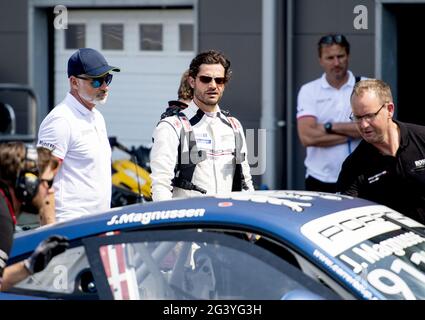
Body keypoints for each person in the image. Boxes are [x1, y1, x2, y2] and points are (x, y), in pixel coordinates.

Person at [150, 50, 254, 201]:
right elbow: (161, 185)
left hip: (224, 220)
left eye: (219, 80)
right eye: (206, 79)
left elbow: (246, 183)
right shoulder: (172, 126)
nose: (213, 85)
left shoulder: (234, 125)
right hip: (189, 221)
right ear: (192, 82)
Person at [37, 48, 120, 222]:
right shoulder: (60, 120)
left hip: (97, 224)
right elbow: (43, 182)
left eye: (107, 78)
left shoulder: (97, 116)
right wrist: (50, 233)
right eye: (96, 81)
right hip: (69, 227)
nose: (105, 86)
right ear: (74, 82)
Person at [337, 79, 425, 224]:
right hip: (394, 244)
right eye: (357, 117)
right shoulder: (353, 167)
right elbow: (347, 219)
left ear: (389, 110)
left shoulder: (421, 138)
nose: (364, 125)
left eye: (370, 116)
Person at [296, 34, 362, 193]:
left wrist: (328, 126)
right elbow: (307, 137)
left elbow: (374, 128)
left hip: (359, 177)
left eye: (341, 56)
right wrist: (353, 133)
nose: (336, 62)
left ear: (348, 56)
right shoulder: (309, 90)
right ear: (320, 60)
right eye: (330, 58)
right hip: (319, 179)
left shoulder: (364, 86)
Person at [0, 142, 69, 291]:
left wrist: (29, 267)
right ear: (28, 183)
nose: (51, 191)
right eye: (48, 183)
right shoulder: (2, 220)